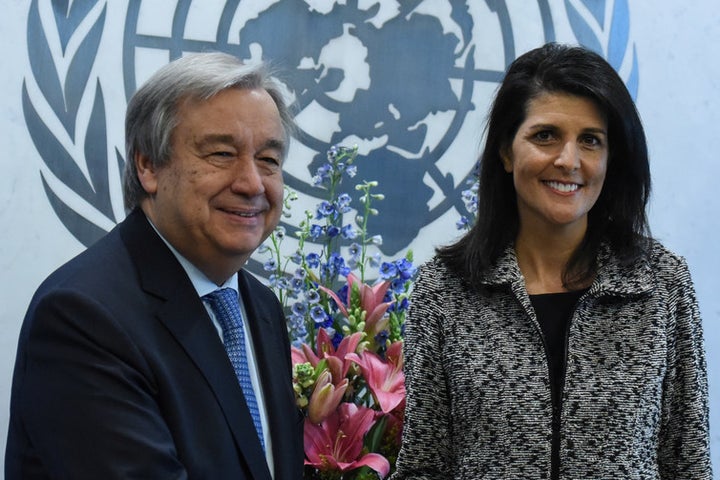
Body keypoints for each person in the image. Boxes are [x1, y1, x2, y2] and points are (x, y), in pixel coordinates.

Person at [391, 43, 711, 479]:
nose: (568, 160)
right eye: (545, 136)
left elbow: (687, 462)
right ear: (506, 150)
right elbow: (424, 467)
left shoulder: (662, 284)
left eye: (590, 141)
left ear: (611, 157)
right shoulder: (445, 291)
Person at [6, 52, 303, 479]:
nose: (252, 183)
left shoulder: (260, 306)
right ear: (148, 165)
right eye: (221, 153)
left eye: (269, 160)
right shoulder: (83, 316)